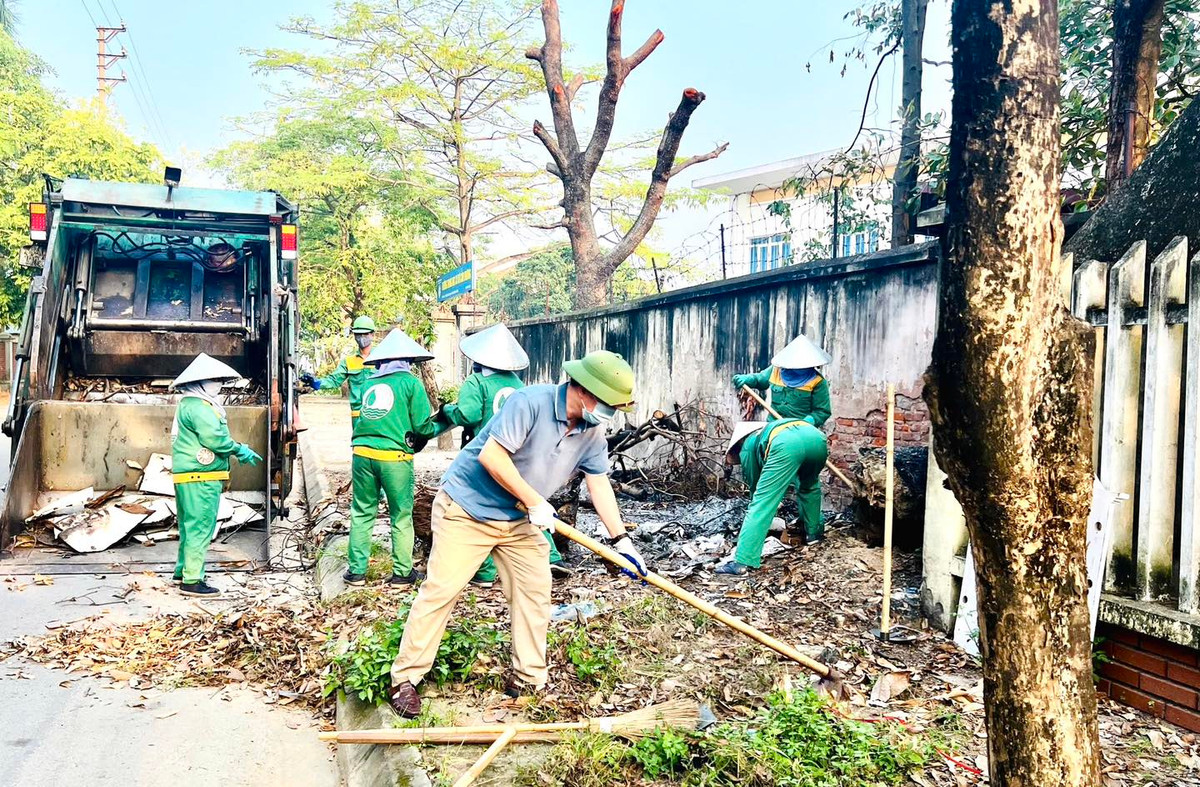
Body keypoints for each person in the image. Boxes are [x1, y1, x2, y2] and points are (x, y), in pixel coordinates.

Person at [386, 350, 648, 718]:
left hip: (520, 519)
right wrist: (535, 500)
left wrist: (622, 540)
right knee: (441, 592)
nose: (610, 413)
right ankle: (405, 680)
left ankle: (527, 677)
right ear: (584, 390)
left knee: (534, 593)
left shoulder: (591, 433)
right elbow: (492, 457)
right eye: (608, 404)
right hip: (469, 508)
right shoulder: (529, 402)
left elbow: (599, 484)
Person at [433, 323, 571, 587]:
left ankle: (483, 573)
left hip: (488, 455)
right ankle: (550, 557)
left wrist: (448, 412)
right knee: (531, 507)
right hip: (520, 456)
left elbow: (469, 414)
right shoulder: (519, 384)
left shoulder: (476, 382)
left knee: (478, 510)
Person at [345, 327, 439, 587]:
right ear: (407, 360)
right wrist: (442, 423)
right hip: (394, 459)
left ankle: (356, 572)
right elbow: (422, 427)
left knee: (362, 512)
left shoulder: (370, 382)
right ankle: (402, 572)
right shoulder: (411, 383)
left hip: (361, 454)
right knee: (400, 514)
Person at [169, 353, 262, 596]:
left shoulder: (187, 403)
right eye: (214, 379)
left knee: (189, 526)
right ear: (199, 382)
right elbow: (216, 440)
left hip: (186, 475)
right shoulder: (200, 408)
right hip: (201, 476)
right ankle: (192, 580)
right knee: (201, 527)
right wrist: (238, 449)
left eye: (220, 380)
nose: (218, 384)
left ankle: (183, 570)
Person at [717, 418, 829, 576]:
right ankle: (813, 534)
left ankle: (742, 562)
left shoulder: (748, 446)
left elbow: (756, 489)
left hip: (787, 445)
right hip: (817, 439)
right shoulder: (772, 429)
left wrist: (767, 506)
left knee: (762, 503)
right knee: (809, 486)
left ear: (739, 441)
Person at [732, 334, 833, 426]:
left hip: (799, 428)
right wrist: (747, 379)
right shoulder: (776, 370)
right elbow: (759, 380)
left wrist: (810, 421)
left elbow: (822, 411)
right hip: (773, 424)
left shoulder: (818, 382)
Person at [301, 315, 377, 424]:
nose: (361, 337)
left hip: (379, 413)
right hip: (358, 415)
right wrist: (316, 383)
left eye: (365, 334)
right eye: (358, 334)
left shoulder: (381, 359)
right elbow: (334, 380)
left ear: (372, 335)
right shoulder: (349, 361)